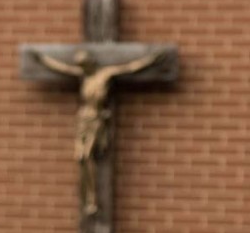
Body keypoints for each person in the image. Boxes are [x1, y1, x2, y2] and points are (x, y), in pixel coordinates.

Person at [35, 49, 163, 214]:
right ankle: (86, 197)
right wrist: (43, 60)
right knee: (80, 158)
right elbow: (63, 68)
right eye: (80, 66)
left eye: (84, 65)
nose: (83, 68)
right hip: (82, 120)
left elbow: (130, 67)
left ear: (91, 63)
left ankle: (92, 199)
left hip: (96, 120)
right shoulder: (84, 76)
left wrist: (151, 60)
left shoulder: (105, 74)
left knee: (88, 156)